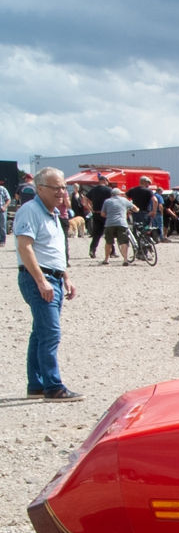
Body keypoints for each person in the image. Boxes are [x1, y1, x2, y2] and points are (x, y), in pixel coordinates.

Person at [14, 167, 81, 401]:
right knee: (51, 333)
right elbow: (25, 246)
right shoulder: (30, 211)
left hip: (52, 276)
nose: (62, 192)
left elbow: (52, 250)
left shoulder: (52, 213)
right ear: (39, 188)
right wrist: (41, 281)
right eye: (56, 187)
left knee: (40, 333)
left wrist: (65, 277)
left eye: (64, 187)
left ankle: (36, 384)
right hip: (38, 277)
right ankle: (53, 386)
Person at [100, 186, 136, 265]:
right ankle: (125, 260)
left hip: (109, 223)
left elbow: (102, 214)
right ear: (119, 194)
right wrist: (137, 210)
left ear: (111, 194)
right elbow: (134, 208)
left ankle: (106, 259)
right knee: (123, 242)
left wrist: (110, 216)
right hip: (122, 223)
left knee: (108, 242)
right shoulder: (124, 200)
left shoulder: (107, 201)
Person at [86, 174, 112, 258]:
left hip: (96, 213)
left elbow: (85, 200)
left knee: (97, 234)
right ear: (104, 181)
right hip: (106, 214)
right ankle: (112, 252)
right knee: (109, 233)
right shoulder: (109, 190)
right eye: (107, 181)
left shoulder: (93, 190)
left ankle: (92, 250)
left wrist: (91, 209)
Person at [0, 181, 10, 246]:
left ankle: (2, 241)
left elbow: (8, 199)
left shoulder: (2, 189)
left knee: (2, 226)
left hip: (1, 210)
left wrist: (4, 207)